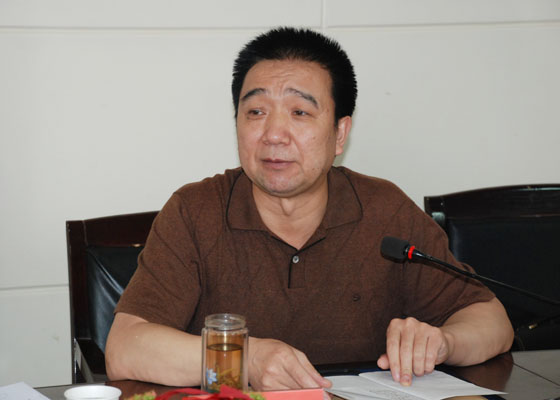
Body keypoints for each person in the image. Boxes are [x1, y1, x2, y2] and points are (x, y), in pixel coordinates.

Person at [105, 27, 513, 391]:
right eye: (255, 112)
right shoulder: (196, 211)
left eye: (299, 112)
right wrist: (245, 358)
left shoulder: (384, 210)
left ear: (340, 133)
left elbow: (491, 320)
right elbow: (125, 348)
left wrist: (444, 342)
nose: (274, 134)